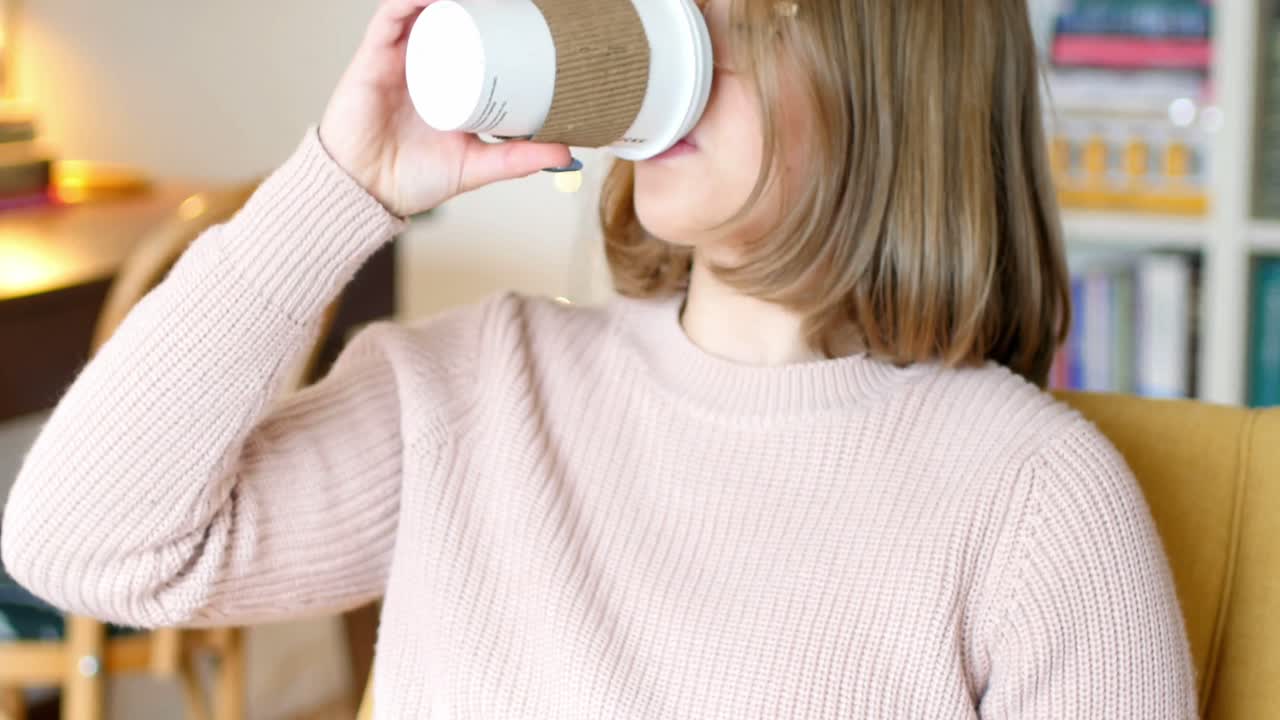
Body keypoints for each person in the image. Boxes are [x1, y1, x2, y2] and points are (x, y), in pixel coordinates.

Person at [2, 0, 1200, 716]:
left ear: (894, 73)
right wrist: (342, 184)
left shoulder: (1033, 502)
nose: (675, 47)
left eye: (738, 15)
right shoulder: (475, 387)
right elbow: (82, 544)